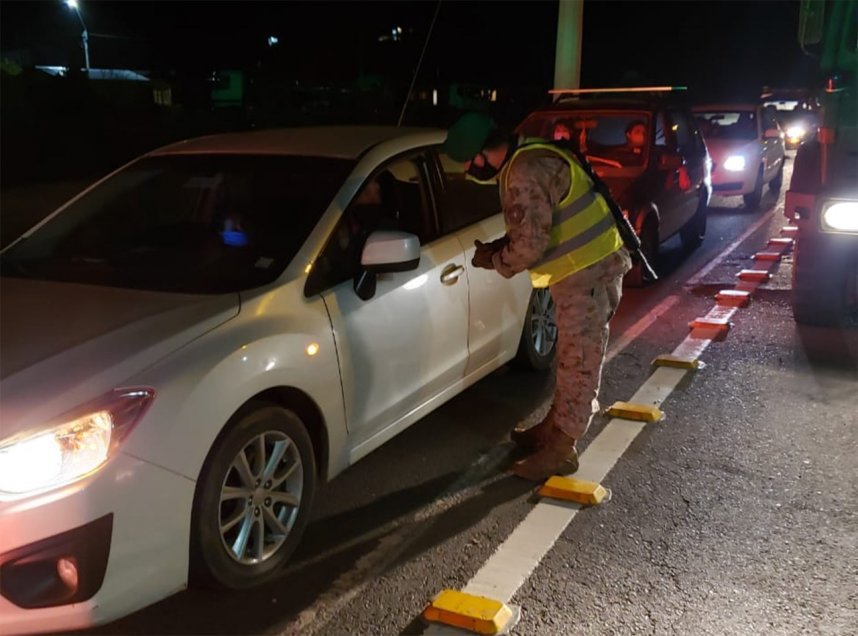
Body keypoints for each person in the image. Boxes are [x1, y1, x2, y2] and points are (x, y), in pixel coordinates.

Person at [441, 112, 632, 481]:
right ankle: (554, 428)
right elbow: (544, 224)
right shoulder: (530, 153)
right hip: (587, 268)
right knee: (570, 357)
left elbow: (530, 244)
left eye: (466, 161)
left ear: (481, 154)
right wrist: (501, 245)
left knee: (579, 361)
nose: (466, 170)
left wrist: (496, 259)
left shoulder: (524, 173)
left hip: (587, 272)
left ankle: (563, 449)